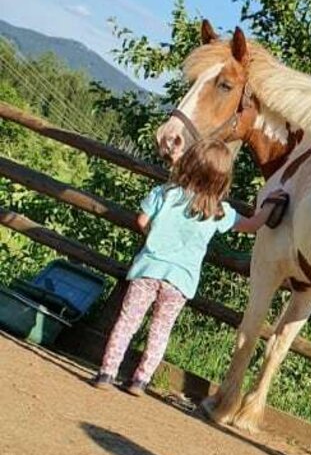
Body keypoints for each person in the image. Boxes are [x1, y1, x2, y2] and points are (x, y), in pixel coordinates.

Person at [92, 138, 275, 395]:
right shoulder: (219, 211)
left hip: (148, 269)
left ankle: (107, 372)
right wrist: (270, 205)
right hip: (181, 280)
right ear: (222, 179)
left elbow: (142, 220)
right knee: (161, 330)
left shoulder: (166, 192)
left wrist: (153, 236)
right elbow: (253, 226)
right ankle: (140, 380)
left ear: (190, 164)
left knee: (127, 322)